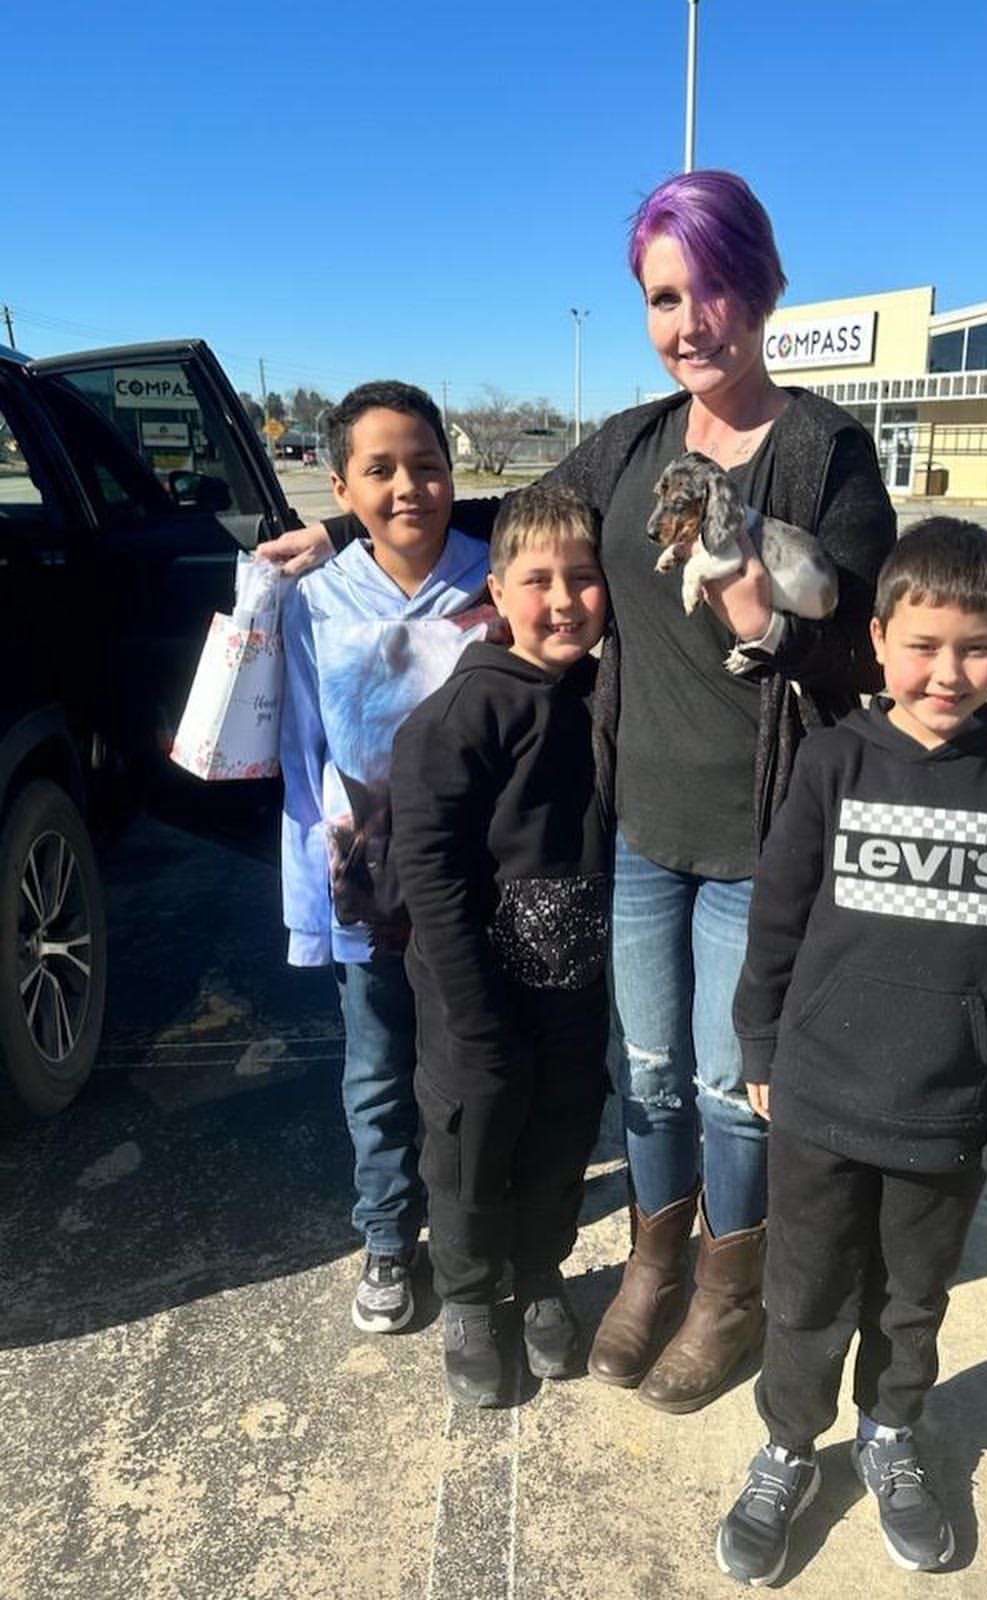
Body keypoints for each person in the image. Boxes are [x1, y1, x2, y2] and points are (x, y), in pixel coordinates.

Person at [259, 169, 897, 1412]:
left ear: (758, 287)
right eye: (664, 298)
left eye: (710, 289)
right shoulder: (636, 443)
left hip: (760, 834)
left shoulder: (824, 450)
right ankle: (654, 1269)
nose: (688, 321)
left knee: (729, 1081)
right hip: (641, 833)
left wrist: (766, 616)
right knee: (647, 1071)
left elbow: (868, 638)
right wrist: (354, 536)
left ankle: (727, 1292)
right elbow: (517, 516)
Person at [714, 519, 987, 1586]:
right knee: (803, 1289)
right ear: (877, 640)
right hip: (818, 1095)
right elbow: (775, 920)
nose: (946, 671)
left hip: (942, 1112)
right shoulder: (830, 761)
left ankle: (889, 1432)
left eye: (976, 646)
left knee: (910, 1297)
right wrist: (758, 1042)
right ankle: (786, 1446)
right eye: (923, 644)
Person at [389, 484, 612, 1406]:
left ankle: (543, 1275)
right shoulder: (462, 714)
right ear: (496, 589)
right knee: (473, 1141)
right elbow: (430, 875)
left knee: (562, 1129)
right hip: (473, 991)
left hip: (575, 981)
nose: (563, 600)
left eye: (585, 578)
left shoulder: (607, 695)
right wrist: (471, 1013)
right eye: (538, 580)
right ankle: (474, 1296)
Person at [279, 379, 493, 1335]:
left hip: (482, 878)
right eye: (380, 470)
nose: (409, 486)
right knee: (376, 1065)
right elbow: (300, 755)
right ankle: (384, 1235)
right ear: (339, 485)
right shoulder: (312, 604)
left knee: (471, 1062)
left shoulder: (500, 578)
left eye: (427, 464)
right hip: (362, 879)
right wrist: (307, 898)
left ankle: (470, 1230)